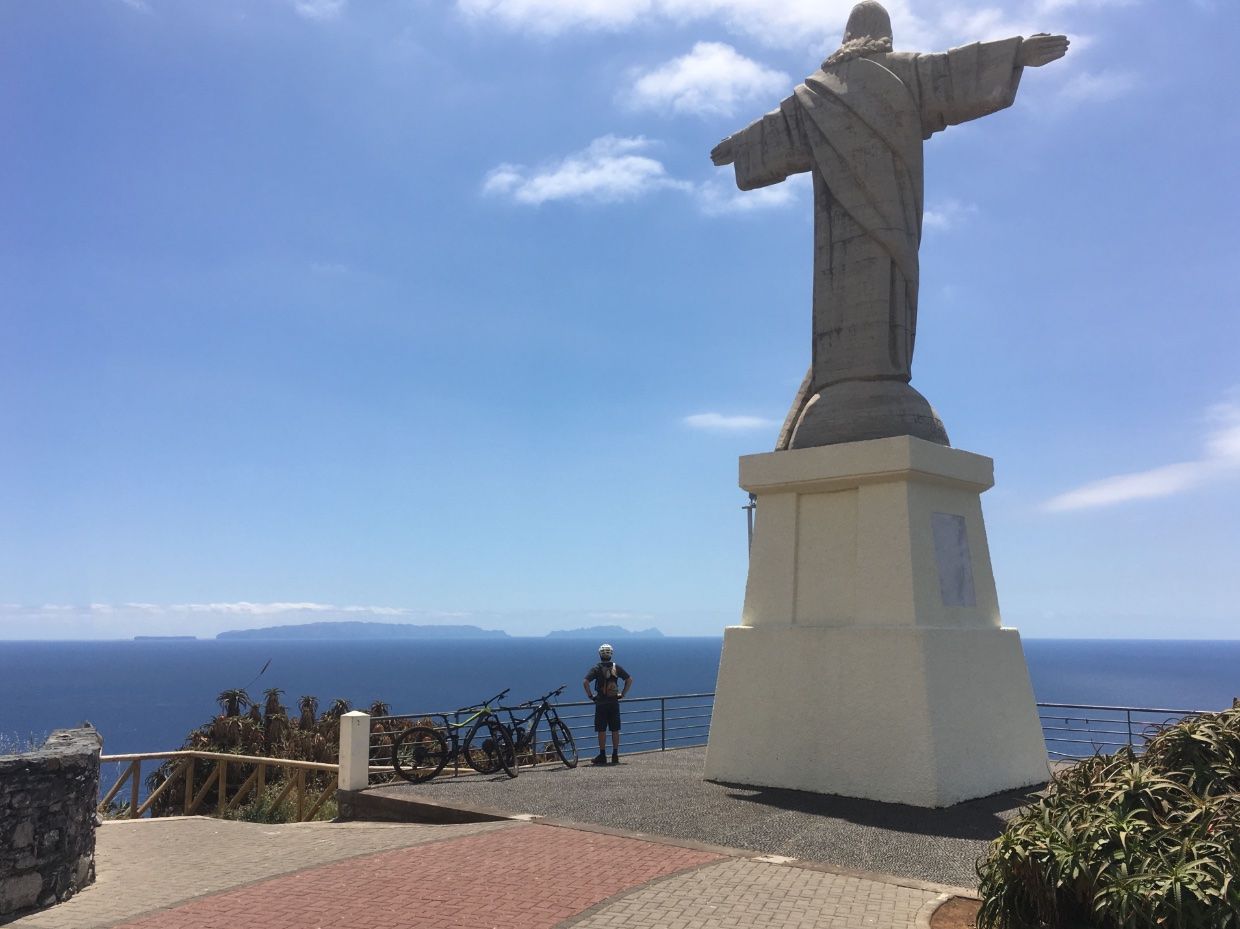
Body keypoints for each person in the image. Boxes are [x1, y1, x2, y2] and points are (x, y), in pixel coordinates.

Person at [710, 1, 1068, 449]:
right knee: (883, 288)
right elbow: (951, 71)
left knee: (852, 294)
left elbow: (773, 129)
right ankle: (861, 381)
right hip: (889, 217)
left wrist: (739, 146)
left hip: (839, 237)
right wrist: (1016, 52)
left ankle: (857, 382)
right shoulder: (884, 77)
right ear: (884, 33)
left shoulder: (818, 92)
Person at [583, 643, 631, 765]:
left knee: (601, 730)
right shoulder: (616, 667)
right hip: (614, 702)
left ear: (600, 654)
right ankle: (615, 755)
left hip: (601, 703)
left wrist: (590, 696)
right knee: (615, 729)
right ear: (611, 654)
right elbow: (629, 680)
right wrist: (623, 694)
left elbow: (585, 682)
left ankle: (602, 755)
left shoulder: (596, 668)